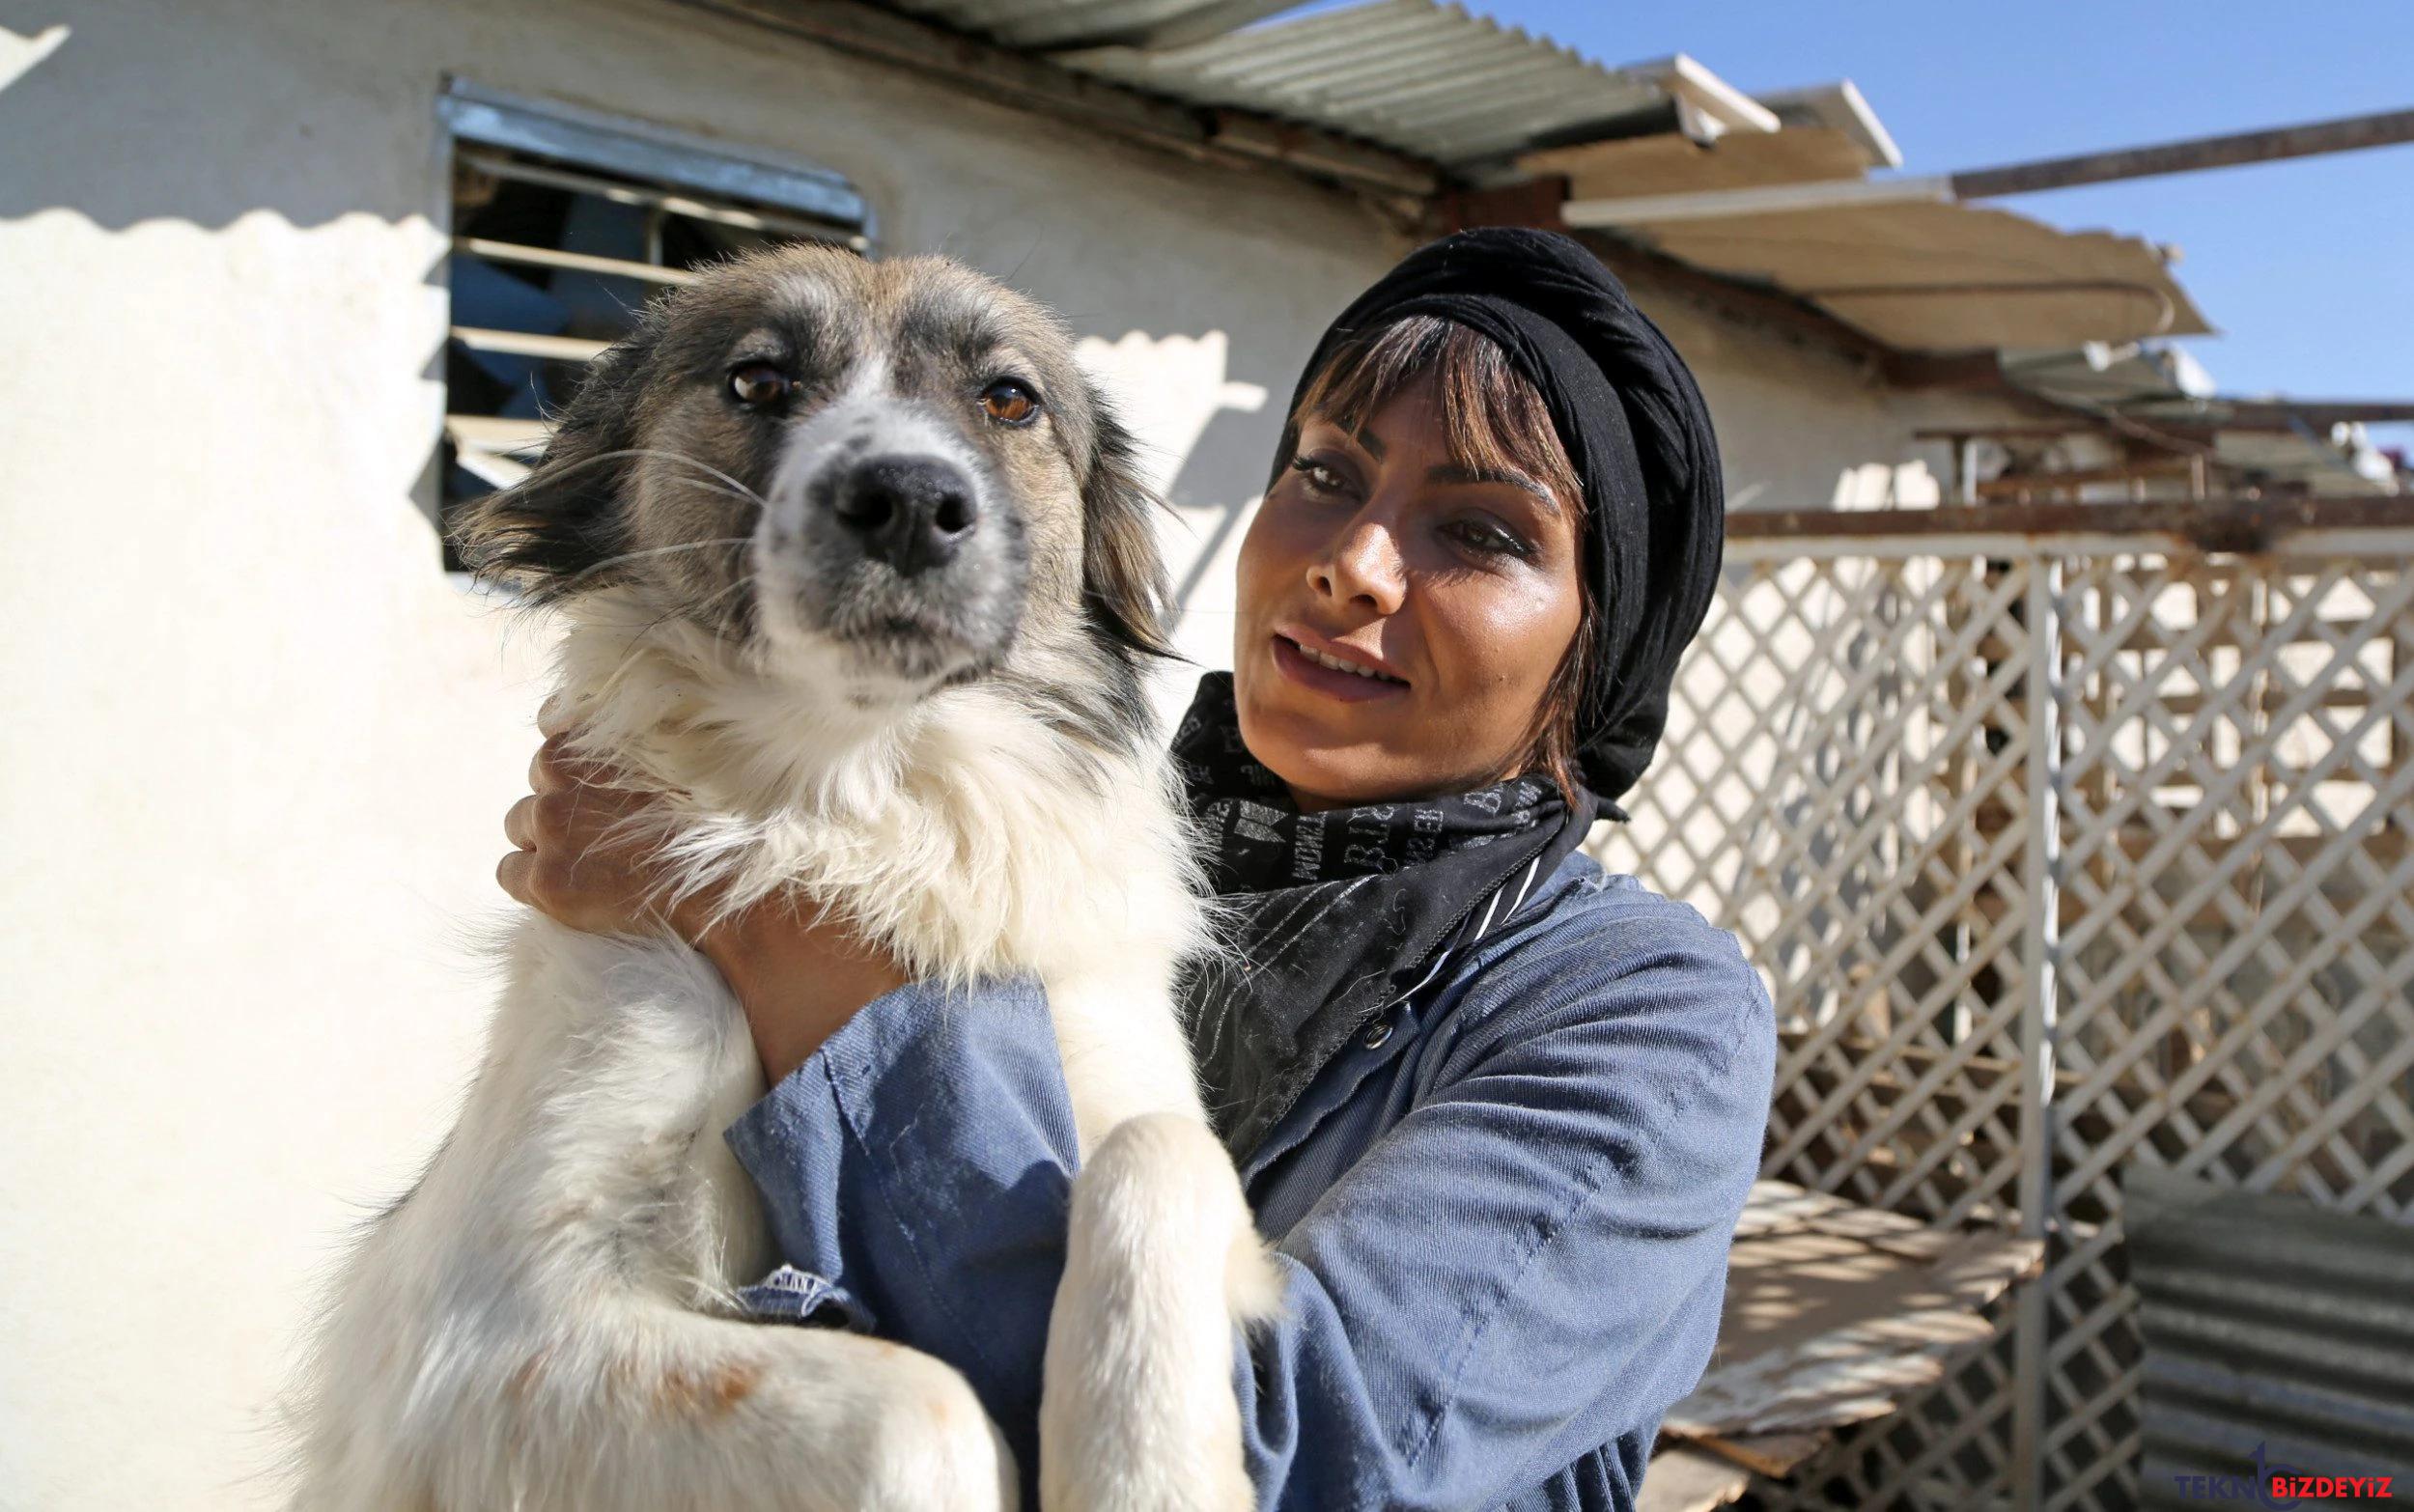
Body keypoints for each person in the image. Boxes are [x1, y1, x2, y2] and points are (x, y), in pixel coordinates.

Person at [499, 228, 1776, 1512]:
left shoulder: (1645, 1013)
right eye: (1328, 473)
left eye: (1482, 533)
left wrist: (759, 931)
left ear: (1594, 656)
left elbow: (1302, 1457)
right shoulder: (1067, 851)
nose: (1355, 564)